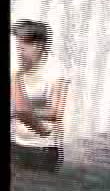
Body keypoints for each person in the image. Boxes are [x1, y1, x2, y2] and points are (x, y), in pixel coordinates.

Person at [11, 20, 69, 173]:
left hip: (43, 149)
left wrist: (20, 112)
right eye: (18, 44)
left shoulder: (56, 70)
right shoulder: (17, 65)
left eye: (24, 44)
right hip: (16, 144)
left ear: (39, 45)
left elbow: (55, 113)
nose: (19, 49)